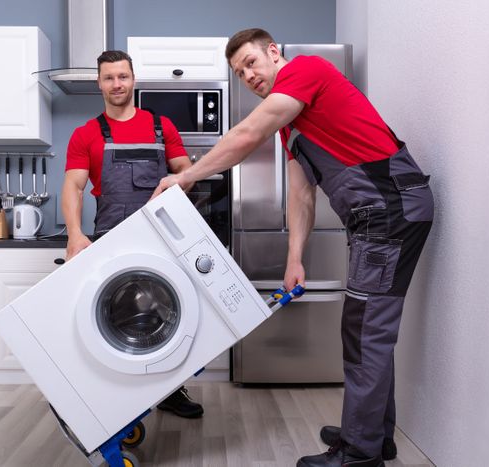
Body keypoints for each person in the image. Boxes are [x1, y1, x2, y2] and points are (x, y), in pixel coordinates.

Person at [152, 29, 434, 467]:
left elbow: (248, 134)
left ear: (273, 52)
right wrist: (295, 260)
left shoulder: (305, 71)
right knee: (367, 328)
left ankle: (360, 453)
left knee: (364, 331)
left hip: (389, 209)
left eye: (250, 62)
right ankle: (372, 435)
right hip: (377, 214)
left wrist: (186, 176)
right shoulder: (294, 128)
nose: (247, 75)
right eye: (238, 72)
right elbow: (301, 195)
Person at [61, 50, 204, 419]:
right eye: (108, 77)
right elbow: (73, 186)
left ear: (133, 78)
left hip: (162, 237)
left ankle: (170, 391)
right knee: (117, 316)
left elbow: (184, 171)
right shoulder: (85, 134)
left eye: (122, 76)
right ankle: (121, 398)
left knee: (168, 311)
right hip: (109, 239)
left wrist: (174, 189)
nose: (116, 84)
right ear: (99, 82)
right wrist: (75, 235)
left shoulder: (161, 126)